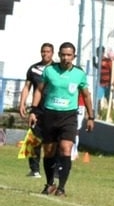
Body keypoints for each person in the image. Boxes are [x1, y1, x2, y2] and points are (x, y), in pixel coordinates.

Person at [28, 42, 95, 197]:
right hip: (49, 115)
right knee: (49, 151)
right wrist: (34, 110)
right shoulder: (49, 71)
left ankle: (62, 187)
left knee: (65, 149)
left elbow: (86, 95)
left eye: (69, 55)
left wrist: (91, 116)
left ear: (74, 56)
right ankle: (50, 183)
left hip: (69, 116)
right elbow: (39, 90)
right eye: (63, 54)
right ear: (59, 55)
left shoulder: (79, 74)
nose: (66, 58)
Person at [18, 42, 55, 178]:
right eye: (43, 51)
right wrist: (22, 103)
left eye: (48, 52)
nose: (45, 54)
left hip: (53, 109)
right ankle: (34, 170)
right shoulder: (34, 69)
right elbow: (27, 87)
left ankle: (54, 171)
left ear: (52, 53)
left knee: (52, 141)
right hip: (37, 109)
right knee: (34, 138)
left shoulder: (56, 69)